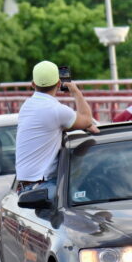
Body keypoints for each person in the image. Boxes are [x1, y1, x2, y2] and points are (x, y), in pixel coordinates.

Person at [15, 60, 98, 195]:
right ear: (59, 84)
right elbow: (87, 118)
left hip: (25, 187)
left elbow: (48, 127)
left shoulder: (26, 107)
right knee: (89, 209)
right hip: (42, 187)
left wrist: (76, 126)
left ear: (33, 84)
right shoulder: (56, 110)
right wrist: (76, 92)